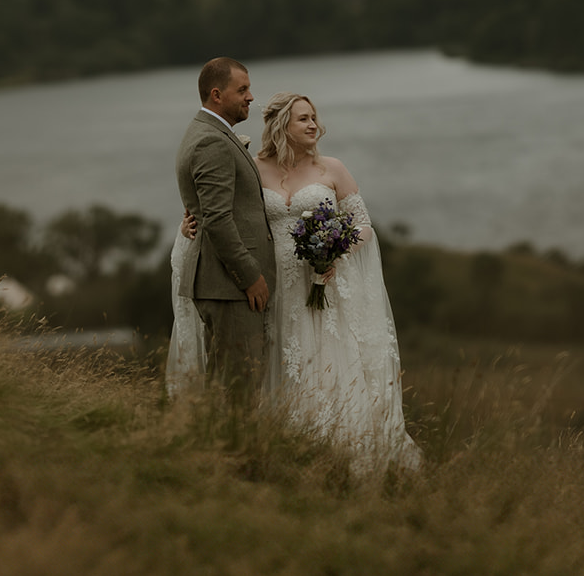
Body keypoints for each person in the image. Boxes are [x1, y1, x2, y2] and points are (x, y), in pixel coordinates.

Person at [169, 85, 419, 472]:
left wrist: (336, 252)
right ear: (282, 125)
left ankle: (339, 453)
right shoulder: (253, 167)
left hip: (321, 282)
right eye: (304, 118)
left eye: (314, 118)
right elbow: (223, 212)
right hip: (271, 286)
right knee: (272, 360)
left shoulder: (332, 169)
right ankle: (278, 453)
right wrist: (190, 226)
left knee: (326, 360)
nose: (314, 125)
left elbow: (364, 225)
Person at [170, 57, 275, 402]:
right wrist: (249, 276)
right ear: (217, 95)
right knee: (238, 388)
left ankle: (223, 451)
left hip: (224, 284)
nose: (250, 97)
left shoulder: (210, 133)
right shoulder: (211, 141)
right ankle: (233, 454)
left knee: (228, 383)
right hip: (228, 285)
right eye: (242, 90)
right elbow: (217, 219)